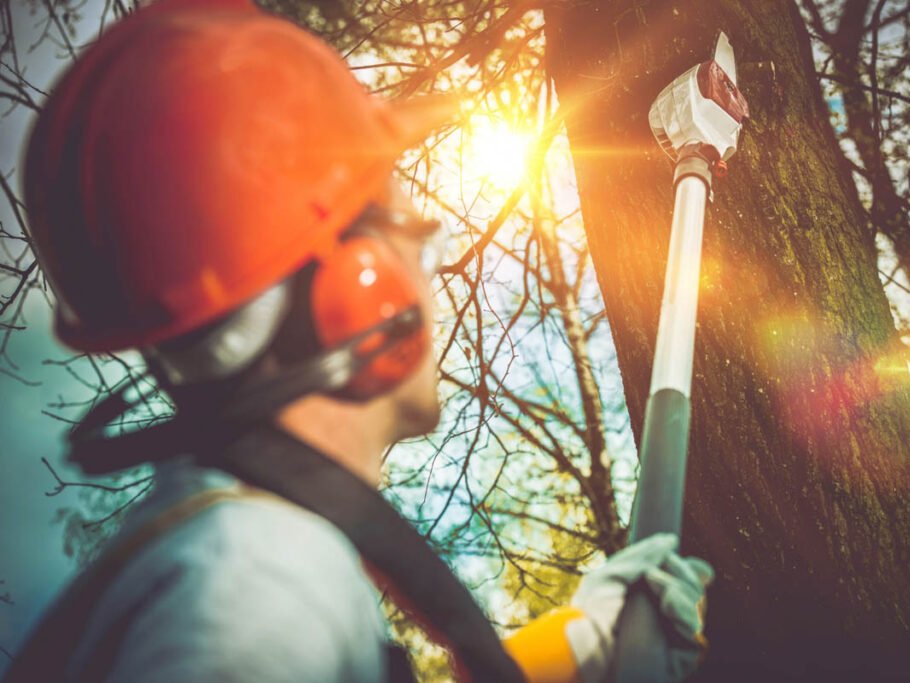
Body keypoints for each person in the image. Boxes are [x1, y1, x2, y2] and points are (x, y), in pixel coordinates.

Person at [5, 0, 714, 681]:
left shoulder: (217, 557)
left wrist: (580, 644)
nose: (429, 278)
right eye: (419, 239)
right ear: (365, 289)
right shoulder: (261, 589)